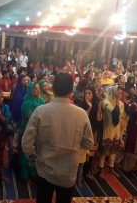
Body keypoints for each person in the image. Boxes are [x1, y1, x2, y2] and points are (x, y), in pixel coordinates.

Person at [22, 73, 93, 203]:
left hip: (45, 169)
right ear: (71, 91)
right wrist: (75, 153)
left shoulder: (40, 111)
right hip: (69, 172)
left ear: (52, 90)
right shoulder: (81, 114)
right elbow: (88, 143)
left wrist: (33, 156)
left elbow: (26, 143)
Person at [99, 85, 129, 178]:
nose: (120, 92)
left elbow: (123, 116)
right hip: (108, 129)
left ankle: (111, 167)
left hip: (116, 130)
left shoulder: (120, 103)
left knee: (113, 150)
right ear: (113, 92)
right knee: (104, 151)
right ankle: (101, 168)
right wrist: (117, 99)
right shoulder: (105, 102)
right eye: (118, 91)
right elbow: (115, 113)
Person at [76, 86, 103, 182]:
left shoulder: (96, 105)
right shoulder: (81, 104)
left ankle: (86, 172)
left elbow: (99, 120)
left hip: (93, 131)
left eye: (89, 93)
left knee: (90, 154)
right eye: (85, 93)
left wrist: (98, 108)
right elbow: (82, 119)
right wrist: (89, 108)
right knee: (82, 153)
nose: (86, 95)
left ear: (93, 94)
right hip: (83, 132)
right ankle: (79, 173)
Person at [20, 82, 45, 184]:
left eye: (38, 88)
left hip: (39, 131)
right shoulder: (26, 104)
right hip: (28, 131)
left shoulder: (41, 100)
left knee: (37, 153)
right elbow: (32, 119)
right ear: (30, 90)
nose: (38, 90)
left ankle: (34, 173)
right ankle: (25, 175)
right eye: (35, 88)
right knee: (27, 154)